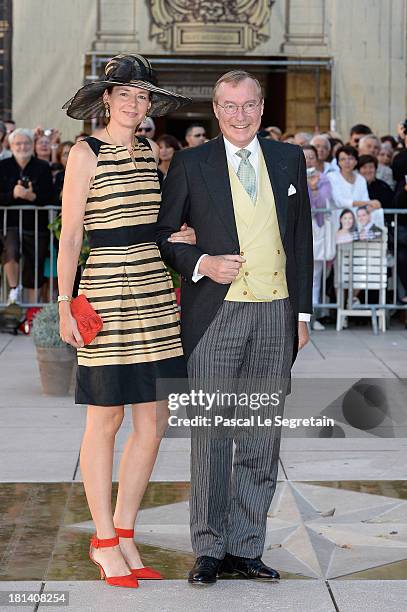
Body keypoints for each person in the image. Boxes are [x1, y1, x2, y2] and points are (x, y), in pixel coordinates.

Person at [156, 70, 313, 586]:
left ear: (261, 109)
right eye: (229, 105)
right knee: (212, 436)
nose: (239, 114)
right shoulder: (191, 163)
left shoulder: (288, 159)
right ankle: (208, 548)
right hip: (215, 315)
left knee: (260, 436)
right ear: (216, 111)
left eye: (248, 105)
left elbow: (301, 242)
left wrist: (303, 315)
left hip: (275, 312)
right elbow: (164, 236)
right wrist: (202, 262)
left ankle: (246, 547)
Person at [58, 53, 193, 589]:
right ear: (106, 100)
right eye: (127, 95)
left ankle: (126, 530)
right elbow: (71, 236)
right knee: (105, 421)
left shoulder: (149, 150)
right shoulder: (84, 153)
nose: (136, 104)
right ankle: (103, 541)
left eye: (144, 97)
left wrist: (175, 239)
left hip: (157, 294)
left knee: (153, 422)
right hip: (106, 294)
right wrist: (66, 303)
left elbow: (152, 225)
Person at [0, 128, 55, 304]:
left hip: (36, 226)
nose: (22, 146)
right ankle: (15, 291)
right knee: (11, 251)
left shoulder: (43, 167)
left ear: (32, 145)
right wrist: (13, 194)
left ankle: (32, 313)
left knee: (35, 266)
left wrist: (33, 197)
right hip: (10, 223)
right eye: (18, 143)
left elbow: (50, 196)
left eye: (26, 143)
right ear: (11, 145)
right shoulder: (3, 166)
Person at [303, 147, 336, 330]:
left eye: (311, 157)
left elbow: (323, 204)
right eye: (304, 157)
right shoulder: (291, 176)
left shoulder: (324, 179)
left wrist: (314, 187)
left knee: (315, 277)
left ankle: (311, 318)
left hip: (317, 231)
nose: (308, 160)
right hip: (296, 230)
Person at [328, 145, 382, 221]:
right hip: (338, 220)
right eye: (343, 159)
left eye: (350, 158)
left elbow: (365, 199)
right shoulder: (331, 177)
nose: (347, 162)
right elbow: (339, 201)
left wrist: (373, 205)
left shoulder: (361, 179)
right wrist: (367, 203)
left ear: (356, 161)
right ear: (338, 162)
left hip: (358, 220)